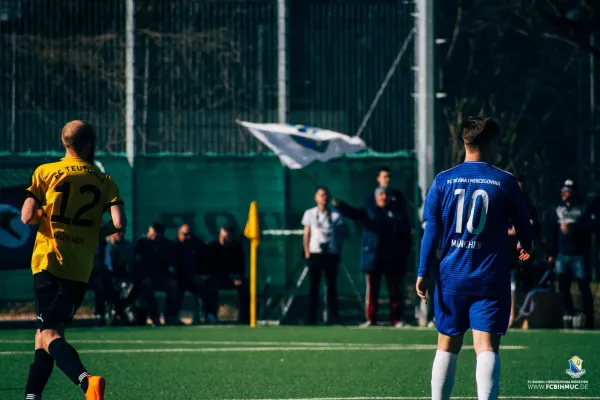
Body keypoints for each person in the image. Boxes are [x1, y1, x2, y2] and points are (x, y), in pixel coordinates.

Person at [416, 117, 532, 400]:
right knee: (486, 346)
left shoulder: (443, 180)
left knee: (447, 345)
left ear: (464, 141)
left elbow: (432, 229)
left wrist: (422, 270)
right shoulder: (504, 180)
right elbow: (524, 223)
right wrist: (525, 244)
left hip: (451, 275)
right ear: (490, 143)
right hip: (489, 278)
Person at [21, 120, 125, 400]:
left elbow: (27, 217)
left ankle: (86, 382)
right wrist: (92, 232)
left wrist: (46, 215)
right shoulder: (104, 180)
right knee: (44, 335)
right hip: (79, 268)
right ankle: (32, 396)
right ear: (89, 144)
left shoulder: (46, 172)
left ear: (64, 142)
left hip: (49, 262)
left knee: (48, 334)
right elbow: (117, 223)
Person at [333, 187, 412, 328]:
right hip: (374, 258)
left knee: (395, 290)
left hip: (392, 258)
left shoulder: (396, 213)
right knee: (372, 291)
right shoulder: (369, 211)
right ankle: (371, 318)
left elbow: (404, 234)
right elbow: (354, 213)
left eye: (385, 195)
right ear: (375, 198)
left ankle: (396, 319)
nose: (383, 197)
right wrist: (341, 206)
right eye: (380, 194)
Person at [547, 179, 595, 329]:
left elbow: (591, 228)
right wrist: (551, 253)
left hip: (578, 254)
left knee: (583, 284)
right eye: (563, 190)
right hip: (563, 254)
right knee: (562, 284)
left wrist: (574, 228)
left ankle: (589, 317)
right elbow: (552, 233)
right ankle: (569, 312)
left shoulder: (582, 210)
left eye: (568, 191)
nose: (565, 193)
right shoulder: (558, 210)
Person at [301, 187, 346, 325]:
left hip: (331, 254)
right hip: (315, 254)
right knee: (313, 287)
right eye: (321, 195)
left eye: (326, 195)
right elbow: (306, 233)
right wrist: (307, 251)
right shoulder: (310, 213)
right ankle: (311, 319)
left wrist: (337, 250)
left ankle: (334, 318)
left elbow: (340, 234)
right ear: (316, 198)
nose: (324, 198)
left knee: (331, 287)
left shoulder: (335, 214)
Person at [174, 223, 217, 324]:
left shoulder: (197, 244)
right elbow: (175, 267)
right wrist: (190, 276)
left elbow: (205, 262)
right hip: (180, 279)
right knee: (174, 286)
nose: (188, 237)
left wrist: (203, 276)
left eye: (190, 234)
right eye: (185, 234)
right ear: (179, 234)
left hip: (196, 278)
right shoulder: (173, 246)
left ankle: (209, 314)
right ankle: (173, 315)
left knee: (210, 284)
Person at [207, 225, 249, 323]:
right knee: (212, 284)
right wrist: (227, 276)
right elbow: (211, 268)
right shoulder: (212, 247)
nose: (223, 240)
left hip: (234, 279)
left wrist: (237, 277)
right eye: (221, 237)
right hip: (218, 278)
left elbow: (240, 266)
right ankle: (210, 315)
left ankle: (246, 317)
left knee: (245, 285)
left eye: (226, 237)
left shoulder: (237, 248)